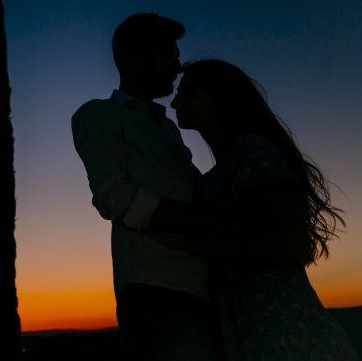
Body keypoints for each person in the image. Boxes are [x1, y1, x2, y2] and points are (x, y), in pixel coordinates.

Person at [142, 59, 358, 360]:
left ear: (222, 97)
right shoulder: (211, 177)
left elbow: (296, 247)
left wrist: (188, 244)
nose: (175, 101)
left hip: (292, 336)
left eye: (189, 93)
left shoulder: (252, 149)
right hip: (247, 335)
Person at [72, 13, 254, 360]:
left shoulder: (168, 127)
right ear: (137, 58)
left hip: (206, 290)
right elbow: (115, 197)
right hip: (155, 289)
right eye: (169, 55)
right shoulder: (100, 114)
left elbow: (191, 190)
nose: (178, 65)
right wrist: (217, 224)